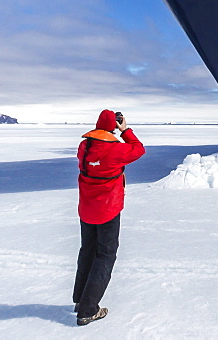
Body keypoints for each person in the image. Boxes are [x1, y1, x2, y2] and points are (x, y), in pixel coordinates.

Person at [73, 110, 146, 326]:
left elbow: (96, 151)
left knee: (87, 251)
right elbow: (139, 150)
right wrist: (126, 130)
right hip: (107, 211)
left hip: (86, 210)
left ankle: (80, 299)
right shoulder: (115, 150)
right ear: (113, 125)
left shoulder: (84, 147)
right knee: (105, 256)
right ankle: (88, 310)